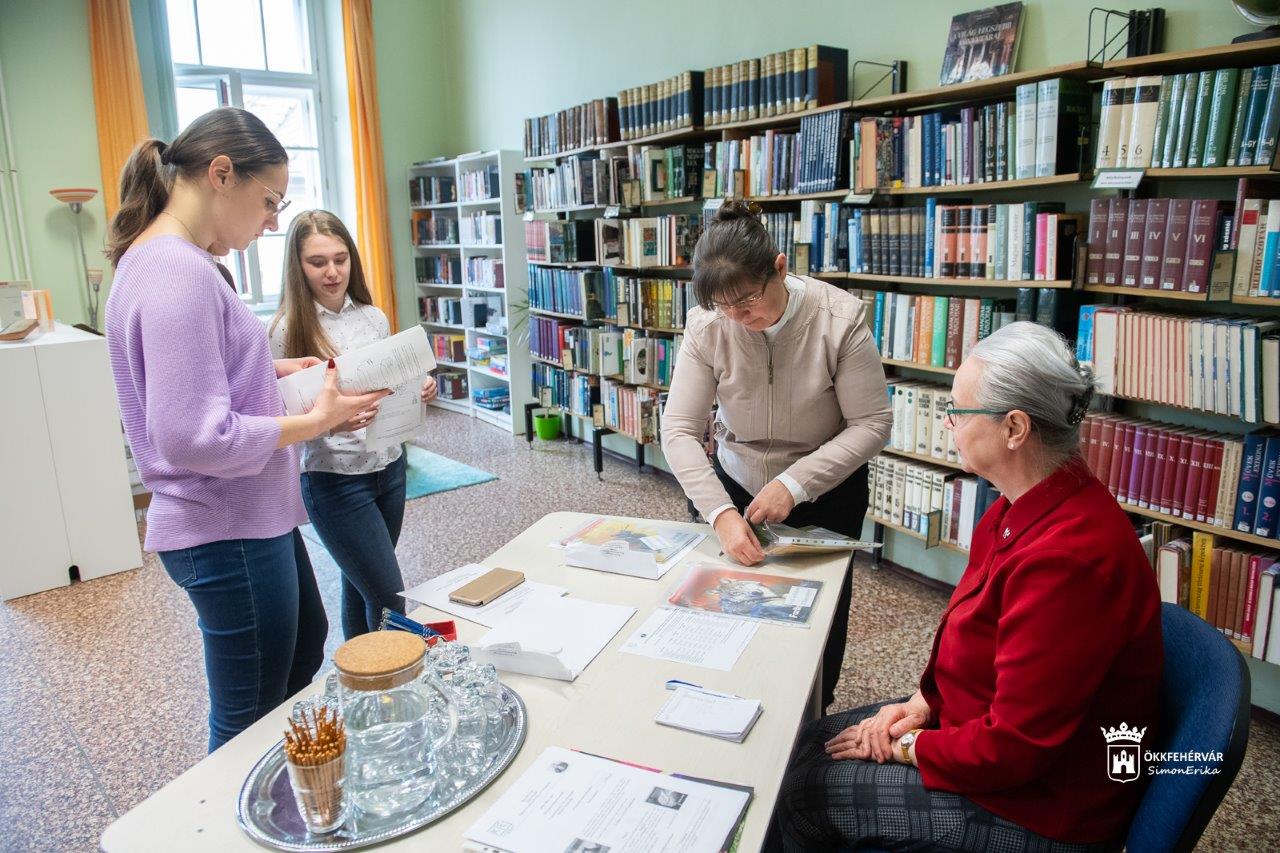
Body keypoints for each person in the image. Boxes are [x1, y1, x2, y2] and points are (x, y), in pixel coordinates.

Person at [766, 322, 1164, 852]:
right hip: (987, 740)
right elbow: (977, 655)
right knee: (804, 743)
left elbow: (1014, 749)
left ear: (1015, 428)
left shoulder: (1068, 561)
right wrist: (922, 706)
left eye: (958, 412)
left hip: (1040, 807)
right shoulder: (1015, 508)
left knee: (803, 797)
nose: (948, 424)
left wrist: (909, 744)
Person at [104, 108, 388, 751]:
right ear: (221, 174)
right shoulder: (175, 271)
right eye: (268, 202)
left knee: (298, 651)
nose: (271, 222)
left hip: (244, 514)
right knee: (246, 713)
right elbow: (191, 436)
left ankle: (277, 792)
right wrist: (318, 420)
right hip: (223, 524)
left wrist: (272, 365)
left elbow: (205, 373)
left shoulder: (161, 261)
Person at [660, 199, 892, 710]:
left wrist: (796, 483)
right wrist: (719, 512)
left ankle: (812, 715)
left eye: (746, 302)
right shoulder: (707, 326)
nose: (738, 319)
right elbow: (677, 428)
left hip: (826, 490)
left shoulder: (839, 320)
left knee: (816, 621)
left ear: (780, 269)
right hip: (735, 483)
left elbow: (872, 423)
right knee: (728, 614)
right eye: (723, 307)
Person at [269, 210, 437, 639]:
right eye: (318, 262)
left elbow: (391, 381)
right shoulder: (285, 331)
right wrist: (328, 423)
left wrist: (420, 385)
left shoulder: (372, 317)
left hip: (389, 468)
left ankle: (364, 694)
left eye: (340, 259)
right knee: (389, 597)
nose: (332, 272)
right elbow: (283, 422)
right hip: (336, 481)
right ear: (297, 266)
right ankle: (397, 687)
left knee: (360, 588)